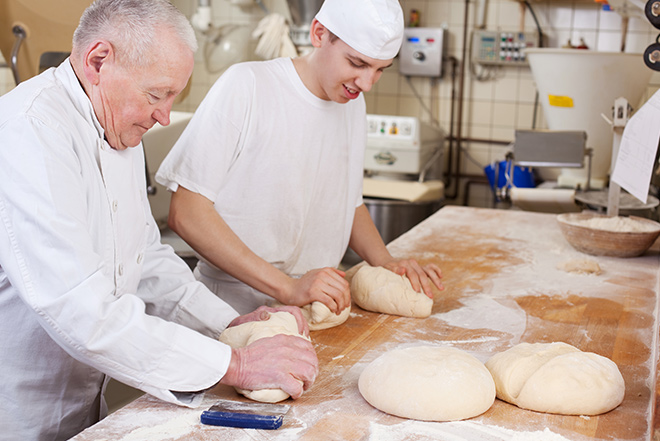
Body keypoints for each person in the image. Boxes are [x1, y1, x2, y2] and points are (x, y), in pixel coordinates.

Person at [0, 1, 317, 440]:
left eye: (173, 97)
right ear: (98, 61)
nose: (164, 116)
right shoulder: (28, 132)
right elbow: (81, 312)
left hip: (83, 407)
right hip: (16, 415)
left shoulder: (116, 125)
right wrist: (237, 364)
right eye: (157, 95)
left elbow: (144, 257)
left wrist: (226, 324)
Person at [156, 0, 444, 317]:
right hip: (228, 310)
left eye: (379, 70)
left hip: (315, 308)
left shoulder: (352, 105)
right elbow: (186, 212)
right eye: (357, 63)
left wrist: (386, 262)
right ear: (319, 33)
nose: (366, 84)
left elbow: (349, 201)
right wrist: (287, 287)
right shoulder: (248, 85)